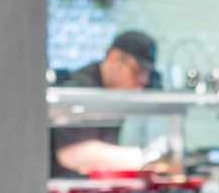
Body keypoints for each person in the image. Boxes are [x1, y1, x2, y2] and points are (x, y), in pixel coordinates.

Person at [50, 30, 160, 179]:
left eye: (146, 75)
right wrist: (142, 157)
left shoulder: (117, 92)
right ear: (114, 58)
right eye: (137, 73)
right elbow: (71, 153)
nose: (142, 82)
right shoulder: (78, 88)